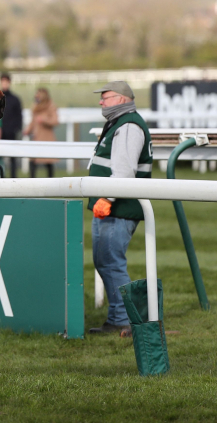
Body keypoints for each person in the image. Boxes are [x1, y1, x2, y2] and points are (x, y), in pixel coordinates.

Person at [87, 81, 153, 335]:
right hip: (112, 205)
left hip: (119, 206)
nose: (101, 102)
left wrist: (107, 198)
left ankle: (122, 320)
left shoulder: (129, 125)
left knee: (111, 261)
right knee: (105, 261)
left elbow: (124, 171)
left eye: (106, 97)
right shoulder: (120, 123)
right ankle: (119, 317)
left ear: (122, 99)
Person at [24, 88, 58, 177]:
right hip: (36, 138)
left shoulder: (51, 106)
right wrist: (28, 130)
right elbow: (33, 121)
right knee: (32, 162)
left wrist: (44, 119)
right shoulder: (35, 107)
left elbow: (55, 120)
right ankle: (32, 182)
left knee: (48, 163)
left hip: (47, 139)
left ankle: (51, 183)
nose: (36, 97)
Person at [0, 73, 23, 177]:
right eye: (2, 81)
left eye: (6, 82)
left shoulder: (15, 99)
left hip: (10, 132)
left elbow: (19, 116)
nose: (4, 84)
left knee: (12, 157)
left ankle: (13, 178)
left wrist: (16, 129)